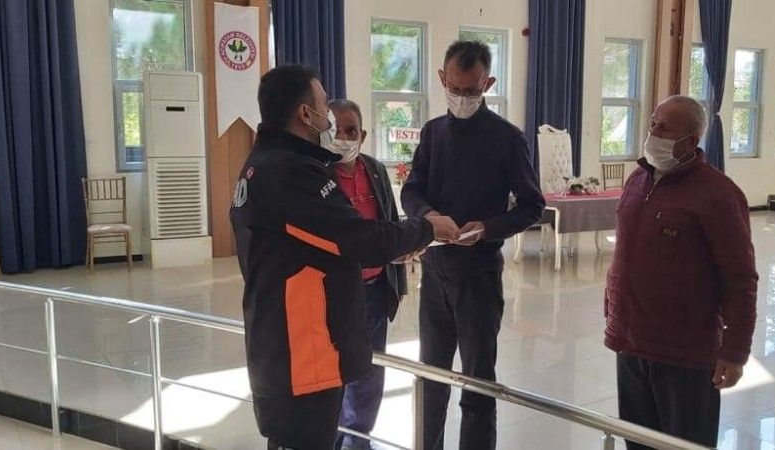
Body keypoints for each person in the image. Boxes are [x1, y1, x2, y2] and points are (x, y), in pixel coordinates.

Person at [230, 65, 460, 450]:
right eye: (324, 108)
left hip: (285, 347)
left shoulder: (261, 164)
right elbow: (359, 239)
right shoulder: (291, 173)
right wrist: (428, 227)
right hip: (303, 355)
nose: (330, 122)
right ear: (306, 114)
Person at [401, 40, 545, 450]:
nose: (462, 97)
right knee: (431, 378)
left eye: (471, 90)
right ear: (442, 78)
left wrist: (489, 227)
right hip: (435, 276)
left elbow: (532, 205)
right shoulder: (432, 133)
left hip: (478, 278)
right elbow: (411, 190)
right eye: (455, 88)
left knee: (478, 383)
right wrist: (429, 216)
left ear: (488, 83)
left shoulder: (507, 138)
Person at [603, 95, 759, 449]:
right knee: (638, 442)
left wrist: (735, 351)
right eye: (653, 123)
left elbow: (740, 278)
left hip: (684, 353)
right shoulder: (637, 181)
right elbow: (626, 254)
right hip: (631, 343)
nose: (653, 132)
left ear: (690, 141)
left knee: (684, 444)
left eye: (664, 128)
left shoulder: (718, 195)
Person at [326, 99, 408, 450]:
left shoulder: (374, 169)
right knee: (335, 371)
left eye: (351, 131)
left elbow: (389, 222)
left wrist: (401, 255)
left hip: (375, 289)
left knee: (371, 370)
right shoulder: (316, 174)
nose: (344, 137)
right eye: (336, 130)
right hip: (335, 294)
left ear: (362, 135)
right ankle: (332, 439)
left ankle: (360, 439)